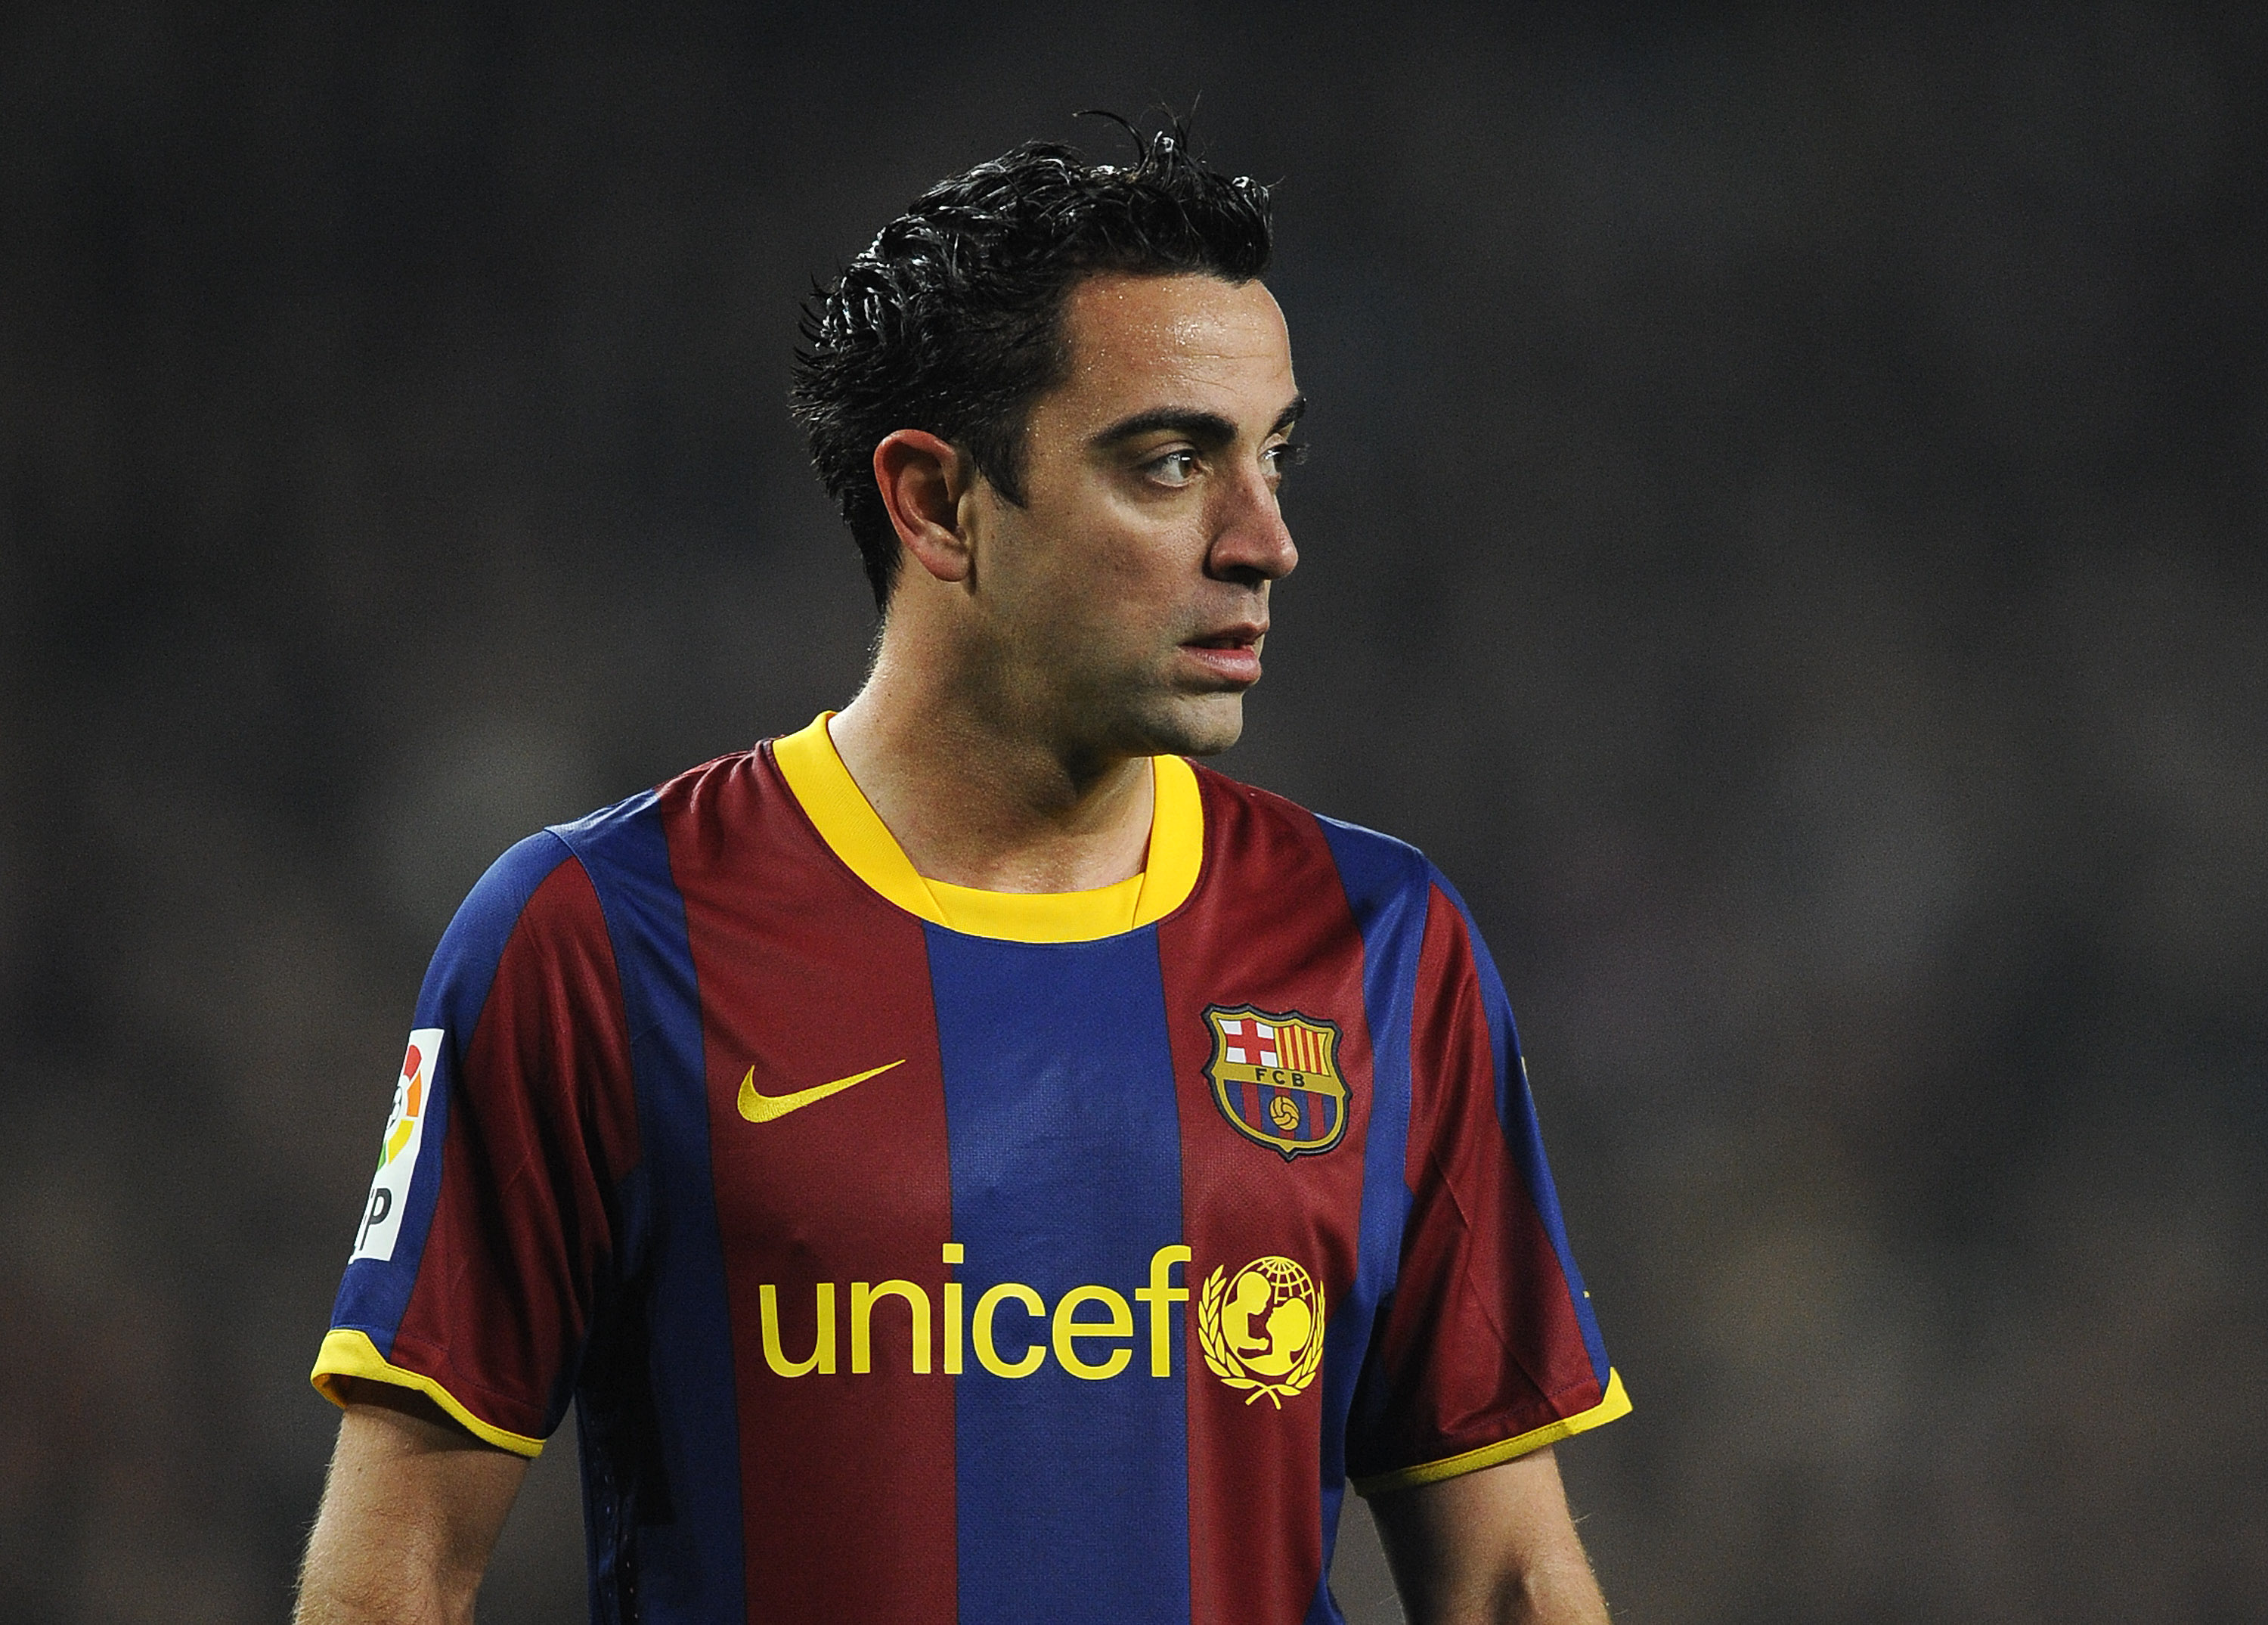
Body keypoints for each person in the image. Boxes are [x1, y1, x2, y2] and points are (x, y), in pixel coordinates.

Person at [296, 122, 1629, 1625]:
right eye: (1173, 463)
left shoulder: (1381, 941)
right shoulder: (595, 934)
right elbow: (395, 1572)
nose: (1267, 541)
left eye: (1275, 458)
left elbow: (1509, 1578)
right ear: (936, 502)